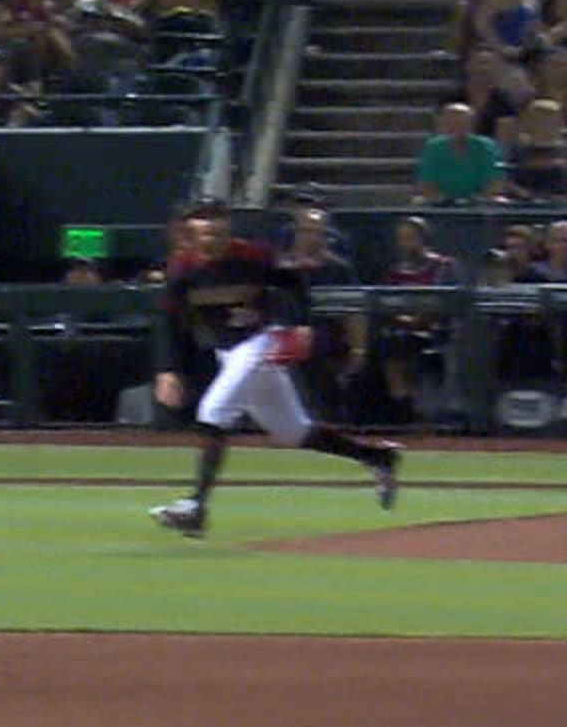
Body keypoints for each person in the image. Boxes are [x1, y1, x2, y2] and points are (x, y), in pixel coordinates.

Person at [148, 200, 403, 539]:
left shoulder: (252, 256)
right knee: (293, 432)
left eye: (219, 231)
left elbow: (294, 285)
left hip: (260, 341)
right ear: (191, 234)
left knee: (214, 412)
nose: (213, 238)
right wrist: (167, 369)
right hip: (228, 351)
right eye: (206, 232)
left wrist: (300, 324)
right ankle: (377, 457)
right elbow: (167, 321)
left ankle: (196, 506)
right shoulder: (182, 269)